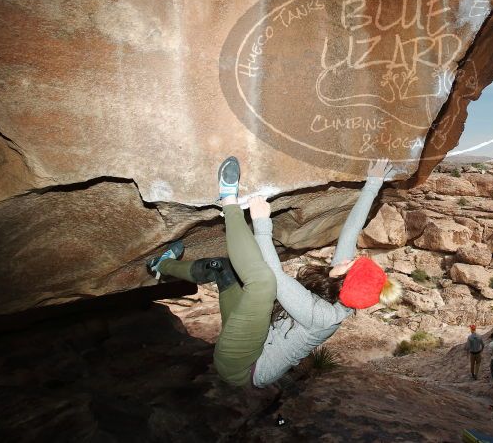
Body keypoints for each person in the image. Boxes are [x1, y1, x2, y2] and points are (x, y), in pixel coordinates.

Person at [147, 157, 401, 387]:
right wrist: (373, 184)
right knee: (221, 268)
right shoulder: (341, 289)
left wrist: (261, 223)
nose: (348, 260)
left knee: (263, 283)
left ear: (344, 282)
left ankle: (227, 199)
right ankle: (161, 266)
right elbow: (350, 233)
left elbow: (275, 278)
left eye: (350, 265)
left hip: (244, 365)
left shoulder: (323, 317)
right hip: (253, 329)